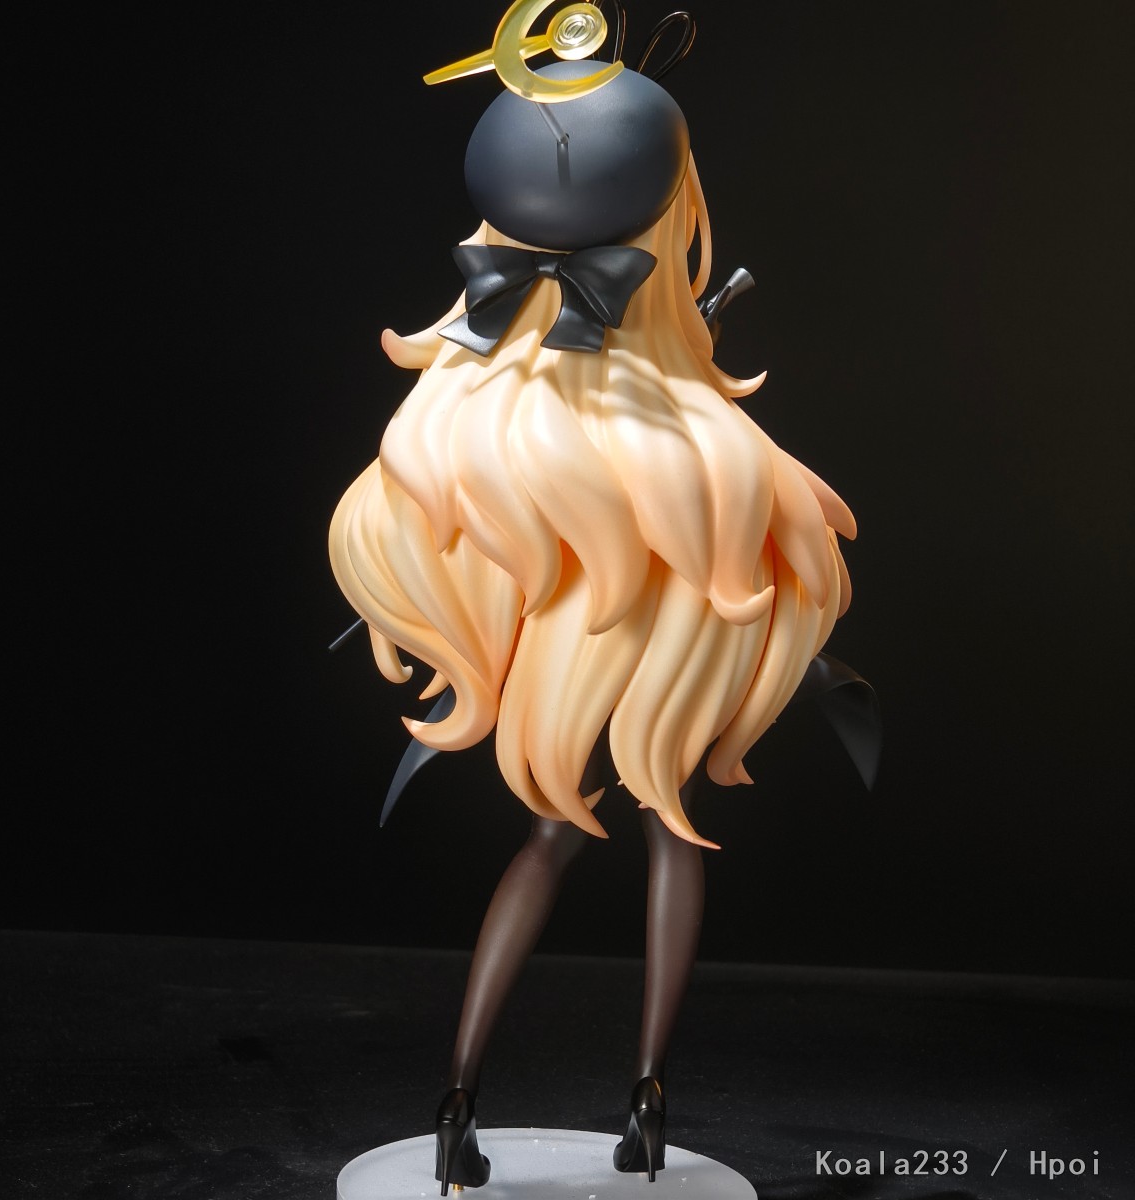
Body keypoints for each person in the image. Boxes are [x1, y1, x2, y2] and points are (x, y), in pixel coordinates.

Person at [329, 10, 855, 1192]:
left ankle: (460, 1098)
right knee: (666, 822)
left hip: (593, 593)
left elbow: (424, 492)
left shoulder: (471, 402)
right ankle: (645, 1100)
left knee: (556, 834)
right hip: (667, 587)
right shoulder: (687, 433)